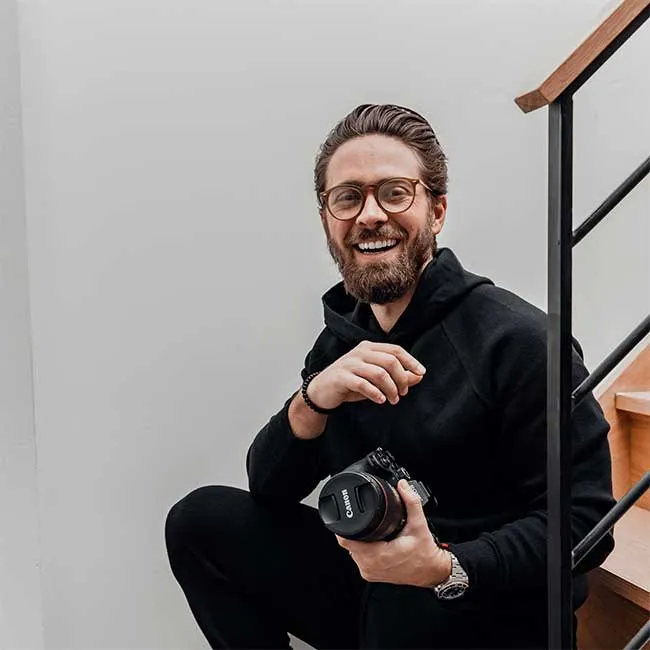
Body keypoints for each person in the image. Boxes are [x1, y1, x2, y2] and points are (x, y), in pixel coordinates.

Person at [165, 104, 615, 649]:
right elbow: (270, 488)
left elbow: (586, 525)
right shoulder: (340, 343)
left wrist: (444, 566)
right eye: (347, 198)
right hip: (376, 594)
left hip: (480, 608)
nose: (370, 215)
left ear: (437, 211)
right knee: (200, 522)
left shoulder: (520, 341)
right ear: (328, 220)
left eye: (394, 193)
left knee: (412, 612)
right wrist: (313, 398)